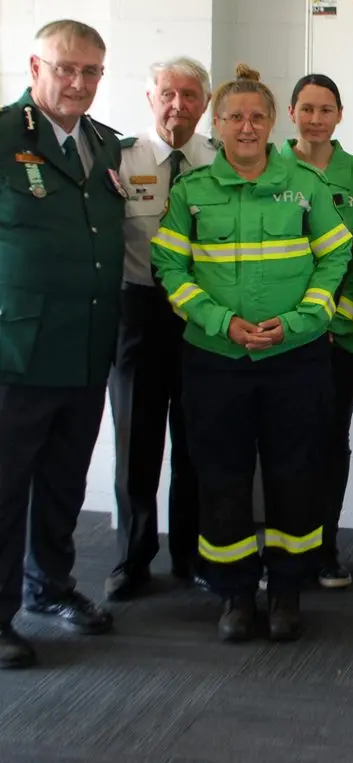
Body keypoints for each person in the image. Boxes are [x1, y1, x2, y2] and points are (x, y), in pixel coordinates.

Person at [151, 64, 352, 643]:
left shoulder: (304, 186)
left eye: (256, 117)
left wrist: (300, 320)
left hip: (295, 357)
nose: (246, 126)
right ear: (216, 124)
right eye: (235, 116)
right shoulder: (191, 192)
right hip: (216, 359)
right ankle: (235, 596)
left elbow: (335, 258)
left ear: (272, 123)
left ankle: (288, 591)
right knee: (222, 477)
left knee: (296, 474)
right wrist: (221, 321)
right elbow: (169, 265)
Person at [0, 20, 123, 670]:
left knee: (62, 481)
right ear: (35, 65)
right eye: (66, 68)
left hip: (84, 348)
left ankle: (49, 588)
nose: (78, 82)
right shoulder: (2, 136)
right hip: (15, 351)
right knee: (4, 486)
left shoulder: (104, 143)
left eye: (91, 71)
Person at [105, 56, 216, 602]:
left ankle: (190, 555)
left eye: (191, 95)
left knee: (195, 441)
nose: (179, 105)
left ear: (206, 103)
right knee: (135, 442)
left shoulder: (219, 162)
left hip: (201, 315)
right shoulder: (120, 159)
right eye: (169, 94)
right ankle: (132, 556)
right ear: (150, 97)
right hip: (139, 314)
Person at [283, 73, 353, 590]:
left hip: (341, 337)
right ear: (292, 113)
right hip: (283, 335)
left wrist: (330, 319)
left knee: (328, 439)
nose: (315, 118)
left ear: (340, 115)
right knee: (284, 443)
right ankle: (284, 549)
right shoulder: (268, 171)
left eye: (326, 109)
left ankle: (325, 547)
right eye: (306, 108)